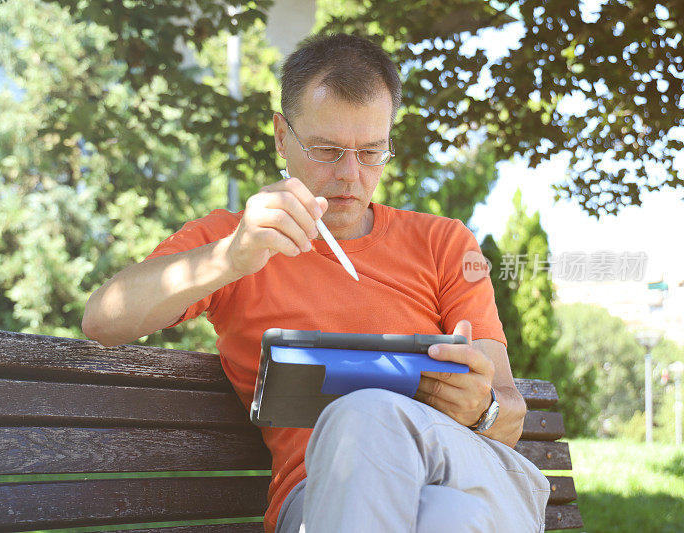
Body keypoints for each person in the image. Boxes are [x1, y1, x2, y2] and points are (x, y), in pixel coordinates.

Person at [82, 33, 550, 533]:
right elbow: (102, 321)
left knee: (371, 418)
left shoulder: (445, 243)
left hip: (466, 468)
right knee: (448, 518)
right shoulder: (237, 240)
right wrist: (231, 257)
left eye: (372, 152)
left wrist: (483, 407)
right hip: (325, 498)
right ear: (282, 136)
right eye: (327, 150)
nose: (351, 174)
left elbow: (510, 414)